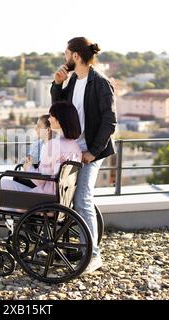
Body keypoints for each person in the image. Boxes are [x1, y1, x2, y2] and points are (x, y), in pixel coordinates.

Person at [0, 101, 83, 259]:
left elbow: (39, 180)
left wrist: (28, 168)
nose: (50, 119)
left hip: (43, 199)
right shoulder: (75, 147)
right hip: (59, 199)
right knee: (3, 187)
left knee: (0, 188)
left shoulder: (53, 145)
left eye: (53, 116)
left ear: (60, 120)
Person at [51, 37, 117, 273]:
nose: (64, 58)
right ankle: (73, 247)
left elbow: (110, 121)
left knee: (82, 199)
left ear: (76, 56)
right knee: (64, 197)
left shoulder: (100, 82)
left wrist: (92, 152)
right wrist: (57, 84)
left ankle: (93, 256)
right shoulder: (73, 81)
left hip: (91, 152)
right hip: (73, 150)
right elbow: (58, 112)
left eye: (65, 54)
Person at [14, 114, 53, 188]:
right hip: (37, 177)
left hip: (39, 181)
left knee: (11, 180)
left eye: (39, 126)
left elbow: (24, 163)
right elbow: (24, 161)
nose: (36, 129)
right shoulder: (39, 143)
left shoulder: (48, 147)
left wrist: (29, 162)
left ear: (48, 130)